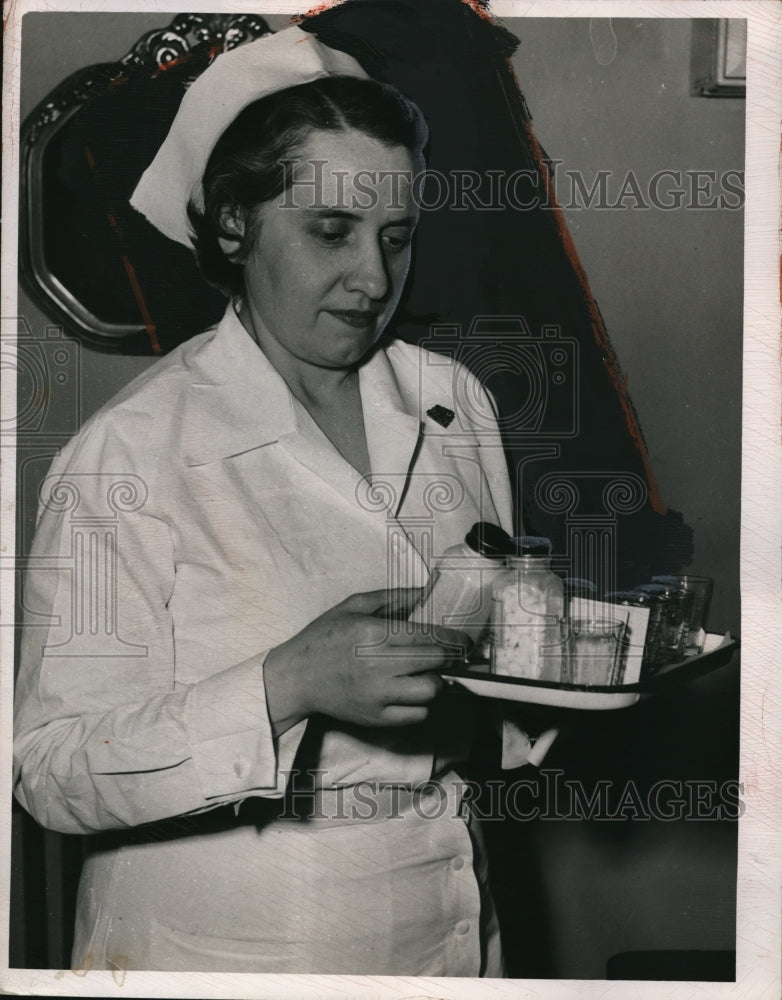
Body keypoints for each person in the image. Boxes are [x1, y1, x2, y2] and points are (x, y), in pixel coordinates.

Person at [13, 25, 534, 975]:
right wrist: (284, 683)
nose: (374, 279)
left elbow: (489, 703)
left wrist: (543, 683)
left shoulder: (455, 406)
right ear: (232, 225)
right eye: (330, 232)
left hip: (450, 934)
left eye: (396, 235)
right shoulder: (127, 456)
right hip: (225, 959)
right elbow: (50, 771)